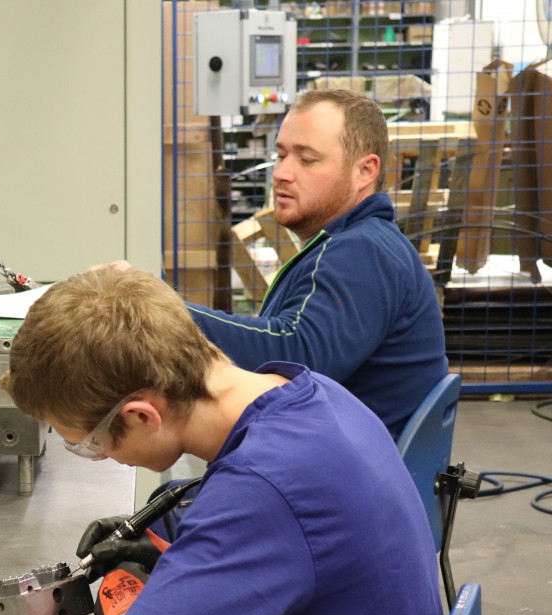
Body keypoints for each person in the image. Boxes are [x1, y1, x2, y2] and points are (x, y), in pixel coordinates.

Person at [0, 267, 444, 615]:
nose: (102, 456)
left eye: (91, 444)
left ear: (141, 415)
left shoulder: (263, 487)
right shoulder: (311, 393)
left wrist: (140, 600)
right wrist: (173, 556)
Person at [99, 88, 448, 440]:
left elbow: (293, 357)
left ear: (365, 171)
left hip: (341, 470)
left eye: (306, 159)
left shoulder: (364, 251)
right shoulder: (351, 244)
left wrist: (157, 309)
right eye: (281, 156)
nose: (281, 173)